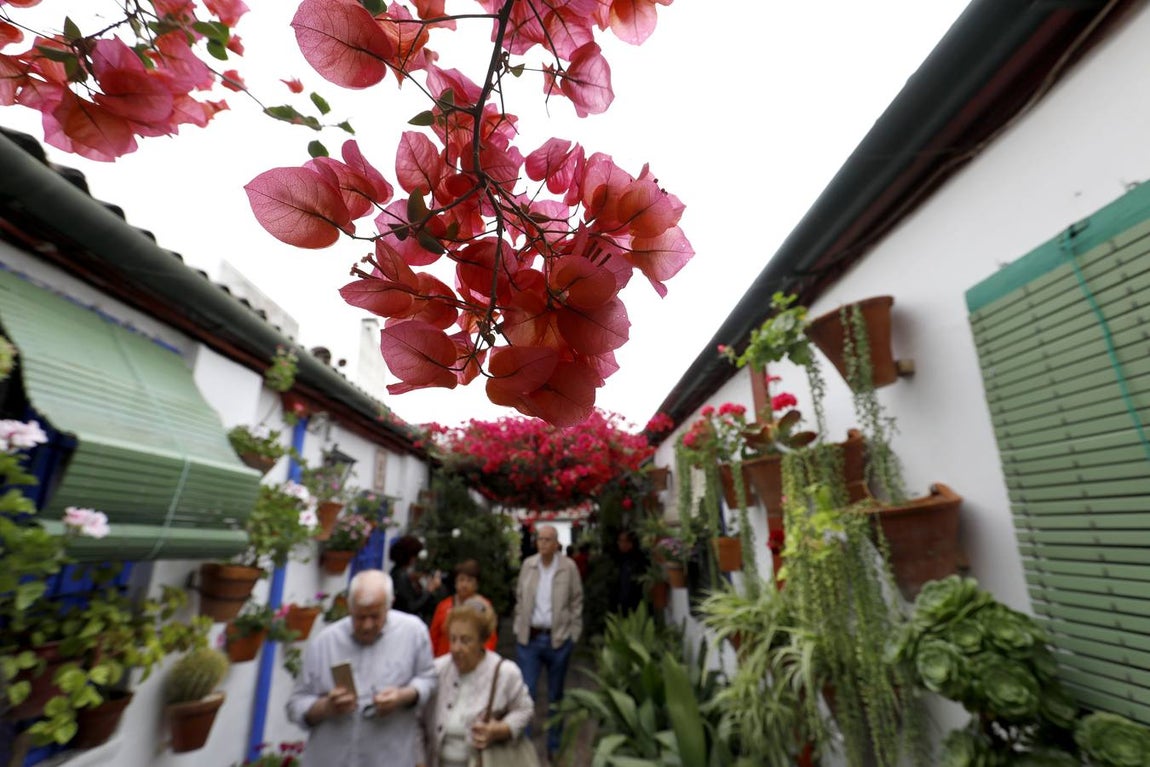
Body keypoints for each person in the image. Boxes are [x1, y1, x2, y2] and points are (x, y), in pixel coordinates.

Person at [286, 569, 437, 767]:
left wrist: (403, 696)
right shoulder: (326, 642)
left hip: (388, 758)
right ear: (350, 608)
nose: (367, 625)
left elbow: (429, 680)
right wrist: (326, 707)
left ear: (389, 605)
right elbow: (295, 704)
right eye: (359, 617)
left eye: (375, 616)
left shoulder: (413, 632)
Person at [419, 598, 535, 767]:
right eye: (453, 639)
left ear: (483, 641)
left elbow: (525, 710)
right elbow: (417, 721)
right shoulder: (437, 670)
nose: (456, 648)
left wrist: (500, 730)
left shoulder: (505, 672)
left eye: (465, 640)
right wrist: (420, 760)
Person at [513, 524, 583, 761]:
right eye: (539, 539)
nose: (542, 543)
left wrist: (573, 634)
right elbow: (520, 598)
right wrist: (518, 624)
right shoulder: (528, 565)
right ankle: (524, 743)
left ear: (556, 544)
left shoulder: (568, 567)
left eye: (547, 540)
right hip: (529, 639)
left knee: (556, 695)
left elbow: (576, 600)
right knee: (526, 691)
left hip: (558, 639)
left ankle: (554, 744)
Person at [428, 558, 498, 657]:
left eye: (469, 580)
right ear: (455, 583)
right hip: (445, 663)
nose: (464, 585)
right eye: (461, 580)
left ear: (476, 584)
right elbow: (433, 638)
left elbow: (490, 638)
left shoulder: (484, 606)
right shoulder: (443, 606)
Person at [390, 534, 443, 623]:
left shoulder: (397, 572)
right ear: (410, 557)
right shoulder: (401, 577)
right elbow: (412, 607)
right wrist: (429, 590)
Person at [609, 530, 648, 615]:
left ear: (631, 543)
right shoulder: (616, 560)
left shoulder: (639, 560)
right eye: (619, 541)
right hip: (619, 606)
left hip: (635, 606)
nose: (621, 544)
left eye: (624, 541)